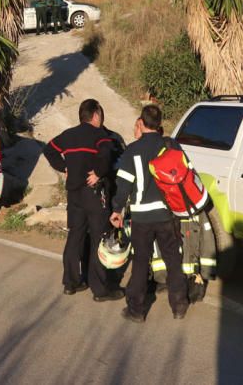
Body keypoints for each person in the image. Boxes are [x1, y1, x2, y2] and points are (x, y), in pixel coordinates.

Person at [110, 104, 189, 323]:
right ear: (159, 124)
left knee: (141, 263)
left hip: (142, 218)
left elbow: (123, 185)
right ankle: (179, 305)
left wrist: (117, 210)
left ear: (142, 124)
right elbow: (184, 174)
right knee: (173, 260)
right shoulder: (171, 145)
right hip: (167, 215)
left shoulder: (132, 151)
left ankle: (136, 310)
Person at [43, 99, 125, 302]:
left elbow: (49, 150)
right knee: (99, 238)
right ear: (96, 115)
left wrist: (64, 167)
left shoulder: (68, 135)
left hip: (74, 195)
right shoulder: (101, 136)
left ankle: (71, 282)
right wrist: (98, 173)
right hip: (94, 194)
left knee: (75, 236)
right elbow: (106, 156)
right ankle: (100, 289)